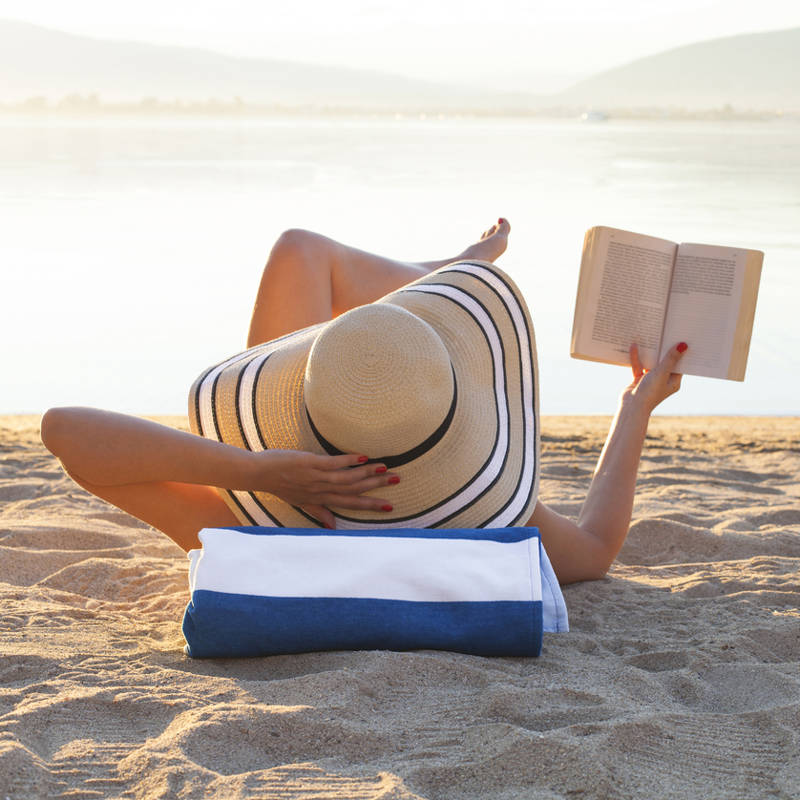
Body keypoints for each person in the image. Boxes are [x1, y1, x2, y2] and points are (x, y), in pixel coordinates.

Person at [40, 219, 686, 585]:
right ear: (461, 421)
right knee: (317, 268)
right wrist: (635, 405)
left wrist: (260, 470)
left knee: (302, 250)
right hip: (348, 449)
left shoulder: (254, 527)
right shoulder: (481, 511)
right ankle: (436, 289)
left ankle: (439, 284)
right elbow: (598, 549)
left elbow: (67, 431)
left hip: (294, 458)